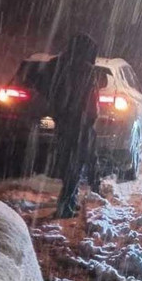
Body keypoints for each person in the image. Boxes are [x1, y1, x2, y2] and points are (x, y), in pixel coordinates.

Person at [46, 33, 100, 218]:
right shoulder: (86, 70)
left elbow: (52, 93)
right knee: (76, 165)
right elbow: (91, 99)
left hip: (63, 121)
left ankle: (69, 201)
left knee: (67, 162)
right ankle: (65, 205)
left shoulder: (58, 65)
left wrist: (58, 113)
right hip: (80, 123)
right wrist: (91, 118)